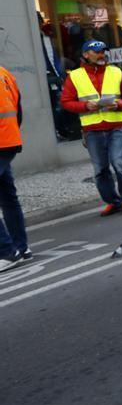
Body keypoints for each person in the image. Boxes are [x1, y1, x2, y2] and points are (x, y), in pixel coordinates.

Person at [60, 40, 122, 215]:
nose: (102, 54)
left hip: (116, 126)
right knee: (100, 170)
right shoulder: (75, 76)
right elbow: (65, 102)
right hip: (92, 130)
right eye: (97, 52)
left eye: (103, 51)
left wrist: (118, 105)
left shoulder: (116, 72)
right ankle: (112, 201)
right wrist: (85, 106)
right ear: (86, 54)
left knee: (120, 164)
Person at [0, 65, 31, 270]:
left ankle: (7, 252)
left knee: (7, 197)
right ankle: (21, 247)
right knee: (7, 196)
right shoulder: (4, 73)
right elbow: (17, 109)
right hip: (8, 140)